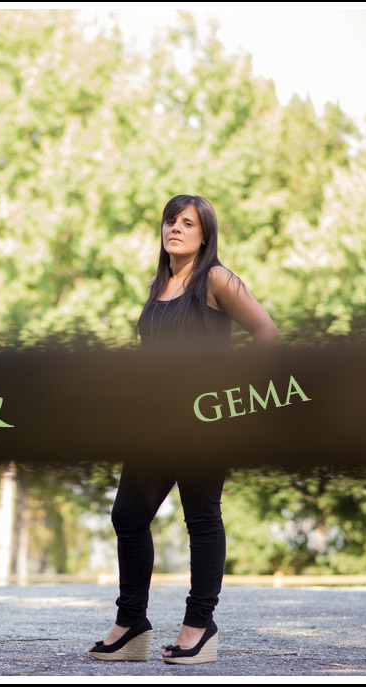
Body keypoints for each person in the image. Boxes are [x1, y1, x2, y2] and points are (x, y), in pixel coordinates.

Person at [89, 195, 278, 664]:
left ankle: (200, 625)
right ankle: (131, 623)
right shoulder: (161, 284)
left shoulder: (217, 278)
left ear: (204, 235)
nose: (176, 228)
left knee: (201, 517)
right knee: (128, 516)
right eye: (170, 221)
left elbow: (267, 335)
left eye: (187, 222)